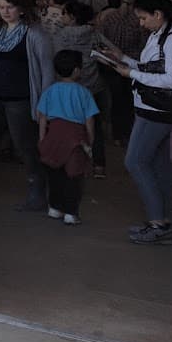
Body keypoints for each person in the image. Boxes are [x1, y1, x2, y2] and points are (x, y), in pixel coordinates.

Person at [104, 0, 172, 246]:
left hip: (157, 112)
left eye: (143, 18)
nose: (141, 23)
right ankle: (164, 220)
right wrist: (123, 59)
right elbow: (151, 67)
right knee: (159, 165)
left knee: (135, 161)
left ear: (158, 15)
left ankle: (158, 222)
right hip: (151, 109)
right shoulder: (161, 34)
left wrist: (132, 75)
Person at [0, 0, 55, 211]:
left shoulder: (35, 34)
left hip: (21, 100)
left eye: (10, 7)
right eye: (1, 7)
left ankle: (37, 194)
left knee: (26, 147)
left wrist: (45, 103)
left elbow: (47, 69)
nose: (5, 11)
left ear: (21, 9)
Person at [35, 50, 99, 225]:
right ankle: (71, 213)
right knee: (74, 176)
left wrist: (42, 139)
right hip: (75, 137)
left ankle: (55, 208)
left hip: (53, 134)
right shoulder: (84, 92)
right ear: (78, 70)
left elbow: (41, 116)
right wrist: (90, 140)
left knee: (54, 173)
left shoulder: (50, 90)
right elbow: (89, 120)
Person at [52, 1, 110, 178]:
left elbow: (56, 58)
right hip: (94, 86)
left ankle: (70, 163)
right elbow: (111, 51)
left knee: (68, 126)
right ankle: (98, 165)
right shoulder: (94, 34)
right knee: (96, 127)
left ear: (72, 17)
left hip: (70, 88)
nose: (62, 17)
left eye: (64, 13)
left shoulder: (61, 35)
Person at [97, 0, 143, 144]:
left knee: (115, 101)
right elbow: (143, 44)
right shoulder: (139, 20)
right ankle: (130, 134)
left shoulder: (108, 17)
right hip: (132, 66)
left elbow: (100, 41)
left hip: (111, 66)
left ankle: (117, 135)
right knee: (132, 102)